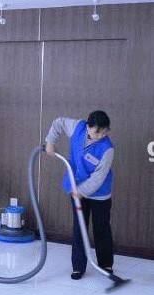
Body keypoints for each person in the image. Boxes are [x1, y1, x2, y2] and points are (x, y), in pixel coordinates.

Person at [45, 110, 115, 280]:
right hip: (76, 186)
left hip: (99, 194)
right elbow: (58, 122)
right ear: (88, 127)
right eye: (97, 132)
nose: (101, 136)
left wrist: (82, 192)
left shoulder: (107, 148)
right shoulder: (78, 127)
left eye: (104, 132)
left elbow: (99, 177)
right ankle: (78, 267)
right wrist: (50, 142)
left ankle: (106, 264)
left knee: (101, 228)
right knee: (79, 227)